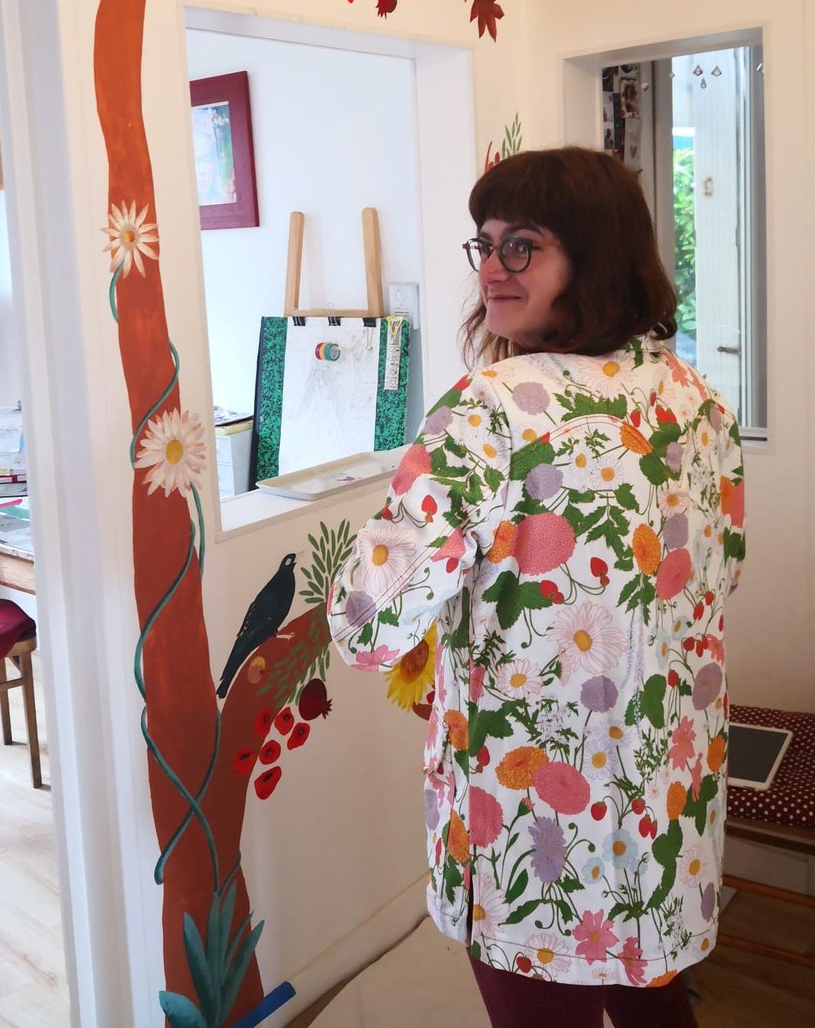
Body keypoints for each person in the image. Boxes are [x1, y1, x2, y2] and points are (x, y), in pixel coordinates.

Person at [327, 146, 745, 1027]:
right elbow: (721, 570)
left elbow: (367, 623)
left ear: (592, 257)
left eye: (524, 245)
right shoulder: (696, 400)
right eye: (483, 243)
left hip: (531, 824)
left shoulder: (488, 409)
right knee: (655, 1009)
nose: (492, 268)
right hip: (661, 803)